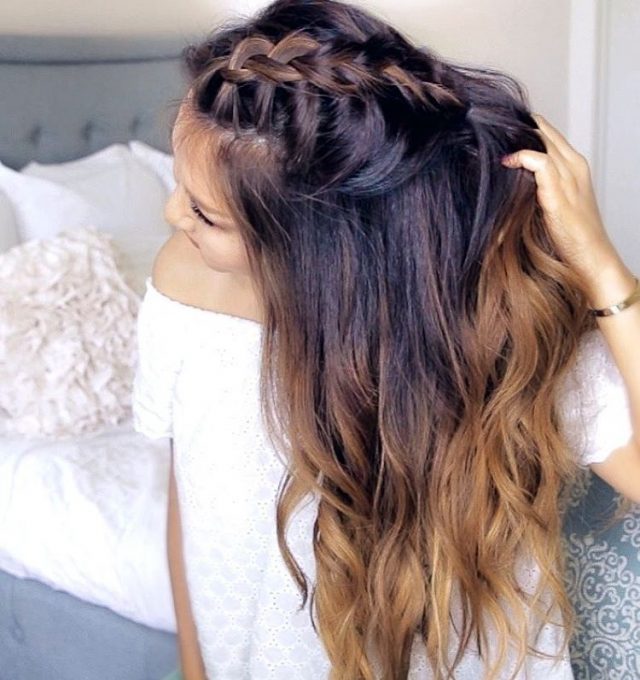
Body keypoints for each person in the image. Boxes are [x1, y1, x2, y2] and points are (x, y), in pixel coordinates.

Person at [132, 0, 640, 678]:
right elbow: (187, 499)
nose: (172, 215)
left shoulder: (490, 323)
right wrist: (195, 670)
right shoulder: (186, 283)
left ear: (314, 243)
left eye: (204, 213)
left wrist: (601, 265)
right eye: (178, 185)